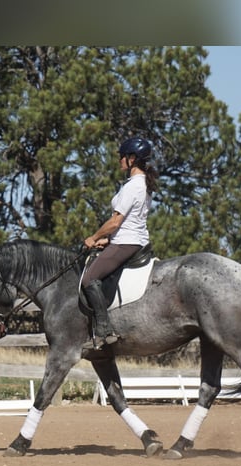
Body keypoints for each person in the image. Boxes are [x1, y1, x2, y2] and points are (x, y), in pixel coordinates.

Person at [81, 136, 158, 351]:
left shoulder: (134, 186)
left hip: (128, 242)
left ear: (132, 159)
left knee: (89, 278)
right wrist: (108, 240)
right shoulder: (141, 184)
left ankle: (105, 331)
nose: (119, 160)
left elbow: (115, 221)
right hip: (128, 240)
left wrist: (93, 238)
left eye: (122, 157)